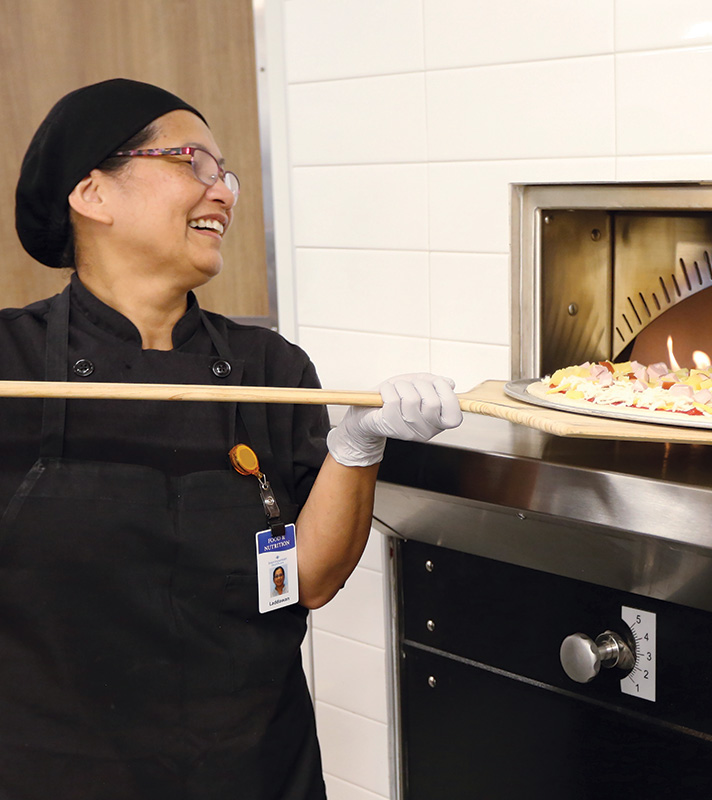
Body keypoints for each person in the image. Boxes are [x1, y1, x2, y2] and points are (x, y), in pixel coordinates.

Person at [0, 78, 462, 799]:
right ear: (93, 194)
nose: (224, 192)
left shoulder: (267, 371)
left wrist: (358, 446)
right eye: (195, 163)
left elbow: (308, 579)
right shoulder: (10, 363)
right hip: (55, 773)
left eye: (227, 174)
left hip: (255, 770)